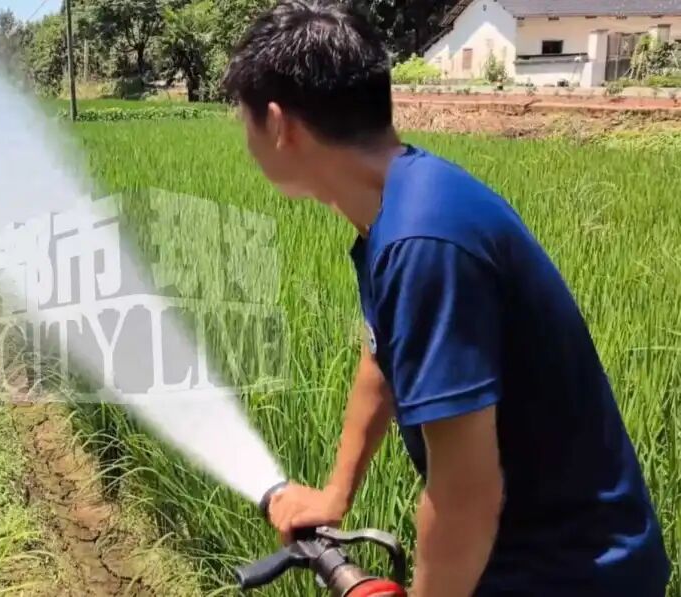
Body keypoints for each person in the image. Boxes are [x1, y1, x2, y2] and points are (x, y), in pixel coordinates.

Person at [221, 2, 670, 595]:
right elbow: (382, 353)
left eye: (244, 117)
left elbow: (465, 499)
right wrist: (336, 493)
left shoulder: (423, 240)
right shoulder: (401, 205)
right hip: (532, 556)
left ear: (280, 125)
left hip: (571, 573)